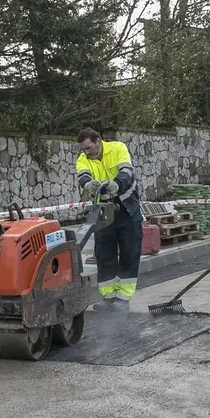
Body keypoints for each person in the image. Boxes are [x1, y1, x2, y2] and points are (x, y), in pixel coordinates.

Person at [75, 127, 143, 309]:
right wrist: (88, 184)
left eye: (88, 148)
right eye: (83, 149)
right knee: (104, 253)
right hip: (103, 210)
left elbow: (126, 171)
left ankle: (123, 297)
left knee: (130, 250)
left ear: (98, 141)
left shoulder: (118, 148)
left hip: (126, 207)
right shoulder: (83, 158)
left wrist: (117, 184)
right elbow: (83, 175)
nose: (86, 152)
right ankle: (108, 296)